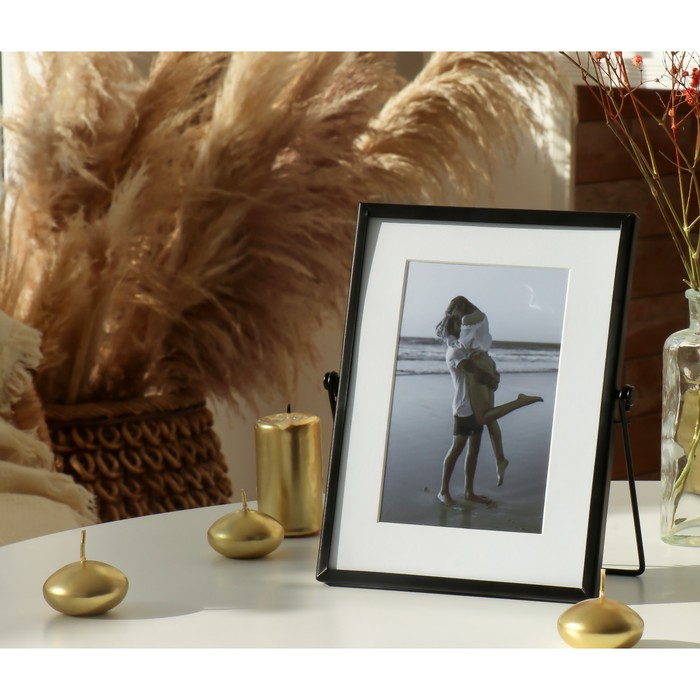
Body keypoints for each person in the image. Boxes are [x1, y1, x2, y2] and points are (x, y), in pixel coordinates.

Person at [436, 296, 542, 504]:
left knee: (473, 451)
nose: (462, 327)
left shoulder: (466, 348)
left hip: (476, 405)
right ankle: (443, 491)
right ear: (451, 329)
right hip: (463, 408)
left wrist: (493, 375)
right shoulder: (454, 352)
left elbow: (483, 369)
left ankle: (469, 492)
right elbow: (476, 373)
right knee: (456, 450)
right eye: (458, 324)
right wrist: (492, 378)